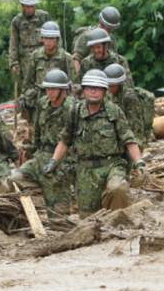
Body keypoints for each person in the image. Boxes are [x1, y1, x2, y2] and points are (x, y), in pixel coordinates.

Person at [44, 69, 146, 216]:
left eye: (98, 88)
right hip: (86, 171)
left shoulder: (114, 111)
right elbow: (65, 141)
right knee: (88, 218)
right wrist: (53, 161)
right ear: (84, 90)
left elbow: (129, 140)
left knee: (118, 189)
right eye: (90, 88)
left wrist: (139, 162)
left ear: (104, 91)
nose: (93, 91)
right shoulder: (75, 112)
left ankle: (118, 222)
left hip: (112, 165)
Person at [9, 68, 76, 212]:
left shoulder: (72, 108)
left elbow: (75, 140)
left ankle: (63, 202)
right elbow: (37, 132)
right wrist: (29, 148)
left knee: (58, 214)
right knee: (14, 178)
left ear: (63, 90)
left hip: (62, 159)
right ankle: (38, 197)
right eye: (47, 89)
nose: (49, 92)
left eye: (53, 89)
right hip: (41, 156)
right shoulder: (42, 104)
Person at [21, 21, 71, 131]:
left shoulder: (65, 58)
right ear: (42, 39)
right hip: (39, 98)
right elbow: (28, 81)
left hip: (59, 100)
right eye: (46, 38)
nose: (48, 42)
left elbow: (72, 83)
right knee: (37, 129)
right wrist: (27, 96)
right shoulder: (35, 56)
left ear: (57, 40)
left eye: (52, 39)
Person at [9, 0, 51, 114]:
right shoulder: (17, 21)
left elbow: (53, 36)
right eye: (27, 6)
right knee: (27, 89)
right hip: (25, 60)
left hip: (43, 56)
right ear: (22, 6)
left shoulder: (44, 17)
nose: (30, 9)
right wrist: (13, 62)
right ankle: (27, 115)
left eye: (32, 6)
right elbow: (13, 44)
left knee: (44, 84)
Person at [104, 63, 155, 150]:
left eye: (112, 86)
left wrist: (135, 146)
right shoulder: (110, 94)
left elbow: (136, 125)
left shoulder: (130, 98)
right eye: (108, 85)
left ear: (119, 84)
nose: (109, 88)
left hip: (131, 139)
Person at [72, 6, 122, 75]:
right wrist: (79, 79)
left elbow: (115, 59)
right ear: (101, 23)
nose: (110, 31)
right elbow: (76, 59)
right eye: (108, 28)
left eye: (112, 29)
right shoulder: (87, 36)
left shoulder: (111, 39)